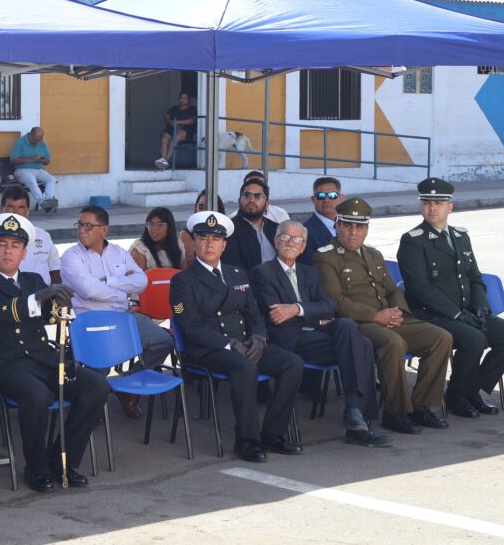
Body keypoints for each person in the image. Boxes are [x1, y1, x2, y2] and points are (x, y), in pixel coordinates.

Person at [0, 213, 110, 492]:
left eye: (15, 246)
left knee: (97, 386)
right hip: (5, 366)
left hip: (43, 359)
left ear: (24, 253)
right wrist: (39, 298)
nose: (8, 251)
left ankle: (61, 461)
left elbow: (50, 316)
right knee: (37, 395)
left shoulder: (33, 280)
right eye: (2, 244)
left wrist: (62, 306)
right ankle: (37, 468)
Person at [170, 210, 304, 462]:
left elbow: (254, 314)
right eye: (203, 238)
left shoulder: (238, 274)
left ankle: (272, 434)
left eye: (216, 239)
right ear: (194, 243)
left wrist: (259, 338)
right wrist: (228, 344)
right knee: (245, 367)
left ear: (224, 245)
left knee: (292, 363)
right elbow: (190, 326)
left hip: (245, 343)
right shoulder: (182, 281)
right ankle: (247, 440)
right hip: (209, 348)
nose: (209, 244)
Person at [313, 197, 453, 435]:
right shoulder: (325, 257)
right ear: (337, 226)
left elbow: (392, 290)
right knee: (393, 343)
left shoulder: (373, 254)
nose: (353, 232)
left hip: (389, 318)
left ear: (367, 229)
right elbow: (336, 301)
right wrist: (377, 316)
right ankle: (395, 412)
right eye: (347, 225)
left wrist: (398, 312)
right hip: (360, 323)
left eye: (359, 226)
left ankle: (421, 406)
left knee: (441, 337)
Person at [250, 220, 392, 447]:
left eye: (297, 239)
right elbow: (275, 313)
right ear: (276, 242)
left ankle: (356, 414)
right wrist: (312, 314)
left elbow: (329, 306)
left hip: (315, 334)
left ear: (303, 246)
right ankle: (358, 420)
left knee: (349, 328)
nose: (290, 242)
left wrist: (296, 309)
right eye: (285, 237)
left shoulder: (309, 272)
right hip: (289, 340)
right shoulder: (262, 272)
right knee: (362, 346)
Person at [397, 178, 504, 418]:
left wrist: (481, 308)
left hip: (466, 312)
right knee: (474, 339)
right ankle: (457, 397)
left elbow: (475, 277)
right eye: (427, 203)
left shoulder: (460, 236)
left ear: (450, 207)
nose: (432, 208)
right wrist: (457, 314)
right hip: (433, 315)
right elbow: (421, 289)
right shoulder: (413, 240)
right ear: (422, 206)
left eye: (438, 203)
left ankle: (470, 391)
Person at [60, 205, 174, 419]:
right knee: (99, 361)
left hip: (124, 315)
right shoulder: (71, 257)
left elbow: (141, 281)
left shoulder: (119, 253)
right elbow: (89, 290)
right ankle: (94, 399)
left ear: (104, 229)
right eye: (80, 224)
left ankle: (125, 384)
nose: (82, 230)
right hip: (92, 321)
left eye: (88, 225)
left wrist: (109, 282)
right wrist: (121, 291)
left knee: (163, 341)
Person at [0, 184, 62, 285]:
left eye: (21, 207)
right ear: (1, 209)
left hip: (44, 293)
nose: (16, 212)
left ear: (28, 211)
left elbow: (55, 270)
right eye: (11, 207)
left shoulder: (43, 236)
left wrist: (53, 293)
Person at [223, 177, 279, 271]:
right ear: (239, 200)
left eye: (258, 196)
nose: (251, 200)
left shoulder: (276, 229)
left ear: (267, 203)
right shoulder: (229, 230)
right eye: (247, 195)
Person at [9, 126, 57, 213]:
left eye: (39, 140)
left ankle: (48, 200)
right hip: (22, 170)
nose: (37, 142)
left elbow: (48, 161)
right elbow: (13, 160)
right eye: (35, 140)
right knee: (31, 180)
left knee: (52, 179)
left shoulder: (41, 143)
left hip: (39, 170)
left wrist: (43, 160)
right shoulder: (21, 142)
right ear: (30, 135)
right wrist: (30, 159)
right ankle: (43, 203)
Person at [300, 176, 344, 265]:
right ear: (313, 200)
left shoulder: (349, 225)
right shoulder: (304, 232)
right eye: (321, 195)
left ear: (341, 198)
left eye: (332, 195)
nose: (326, 200)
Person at [129, 207, 184, 271]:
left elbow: (186, 272)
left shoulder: (178, 243)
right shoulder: (140, 248)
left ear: (169, 227)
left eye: (160, 225)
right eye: (151, 224)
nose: (154, 228)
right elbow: (139, 276)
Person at [180, 190, 225, 268]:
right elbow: (190, 263)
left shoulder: (225, 233)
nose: (205, 211)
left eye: (211, 207)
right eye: (201, 207)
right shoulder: (186, 234)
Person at [154, 92, 198, 169]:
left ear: (189, 99)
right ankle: (162, 160)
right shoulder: (174, 108)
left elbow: (192, 120)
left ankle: (164, 162)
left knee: (173, 139)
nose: (183, 100)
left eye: (185, 98)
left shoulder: (192, 109)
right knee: (164, 139)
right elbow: (166, 117)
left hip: (185, 130)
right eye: (181, 98)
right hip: (171, 129)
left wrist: (178, 122)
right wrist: (170, 122)